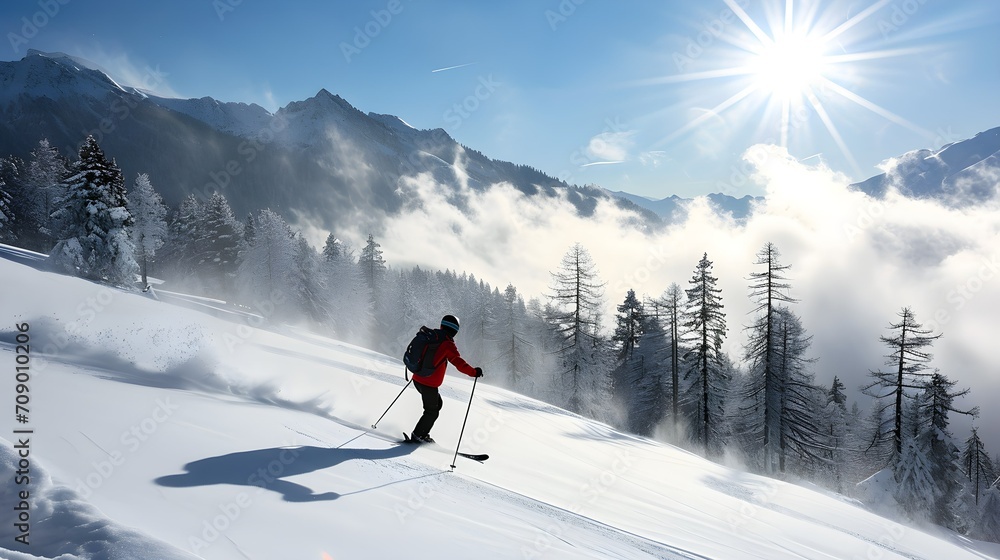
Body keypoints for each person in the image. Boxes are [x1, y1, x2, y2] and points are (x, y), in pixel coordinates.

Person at [409, 314, 483, 443]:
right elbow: (459, 363)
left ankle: (422, 433)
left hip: (418, 378)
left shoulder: (432, 336)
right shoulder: (447, 344)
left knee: (437, 405)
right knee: (432, 411)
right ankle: (418, 435)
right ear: (454, 331)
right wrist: (474, 372)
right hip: (428, 383)